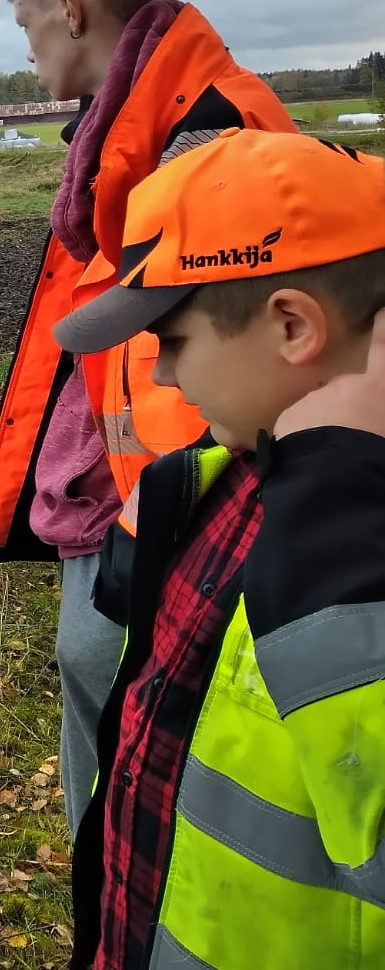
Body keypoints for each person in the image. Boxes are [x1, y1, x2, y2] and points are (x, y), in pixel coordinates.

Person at [0, 0, 296, 832]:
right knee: (102, 691)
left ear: (70, 9)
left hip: (184, 509)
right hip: (134, 491)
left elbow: (243, 364)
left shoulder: (208, 144)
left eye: (27, 25)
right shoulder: (131, 136)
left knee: (146, 723)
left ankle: (120, 873)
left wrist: (176, 516)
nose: (27, 50)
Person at [51, 128, 385, 969]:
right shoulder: (224, 479)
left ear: (293, 326)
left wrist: (331, 527)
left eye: (173, 341)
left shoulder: (352, 542)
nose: (162, 377)